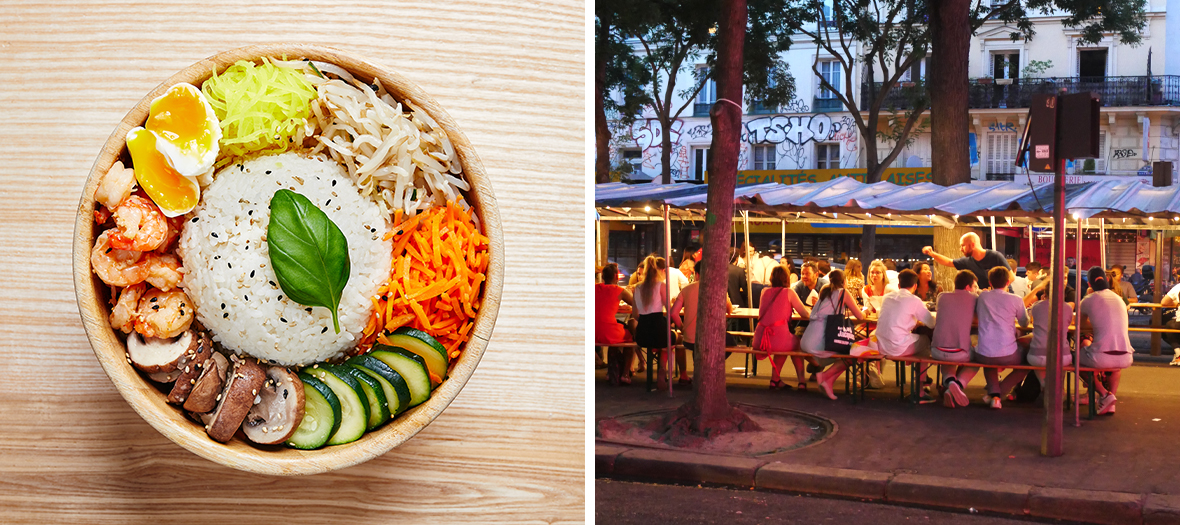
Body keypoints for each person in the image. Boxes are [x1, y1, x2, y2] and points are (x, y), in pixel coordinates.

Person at [961, 267, 1030, 409]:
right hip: (1009, 354)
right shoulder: (1016, 299)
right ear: (1008, 281)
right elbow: (1025, 323)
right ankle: (1000, 392)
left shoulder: (983, 297)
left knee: (989, 358)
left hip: (984, 353)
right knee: (1027, 364)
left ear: (990, 282)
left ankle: (995, 395)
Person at [801, 270, 866, 400]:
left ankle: (827, 382)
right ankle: (825, 377)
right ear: (844, 281)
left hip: (808, 338)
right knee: (852, 354)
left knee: (847, 353)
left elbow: (831, 312)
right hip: (822, 340)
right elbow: (860, 316)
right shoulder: (843, 292)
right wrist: (866, 312)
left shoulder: (825, 291)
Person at [1078, 266, 1134, 415]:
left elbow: (1080, 325)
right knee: (1114, 365)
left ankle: (1105, 394)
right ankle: (1111, 400)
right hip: (1126, 357)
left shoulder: (1088, 299)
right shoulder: (1120, 299)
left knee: (1074, 360)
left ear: (1089, 284)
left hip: (1101, 357)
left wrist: (1097, 322)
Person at [670, 264, 732, 387]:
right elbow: (729, 310)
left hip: (690, 338)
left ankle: (686, 374)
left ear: (697, 274)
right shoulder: (718, 288)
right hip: (711, 339)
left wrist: (682, 327)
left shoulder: (686, 289)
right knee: (731, 342)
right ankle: (708, 369)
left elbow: (673, 313)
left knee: (688, 344)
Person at [752, 266, 812, 390]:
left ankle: (775, 380)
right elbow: (804, 314)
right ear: (786, 278)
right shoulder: (789, 292)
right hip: (776, 337)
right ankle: (801, 381)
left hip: (760, 338)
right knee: (795, 344)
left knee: (784, 343)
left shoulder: (764, 291)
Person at [932, 270, 980, 408]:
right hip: (960, 352)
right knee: (978, 359)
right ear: (968, 287)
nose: (976, 290)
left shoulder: (941, 296)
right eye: (975, 287)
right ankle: (958, 385)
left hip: (937, 350)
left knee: (946, 356)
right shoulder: (974, 299)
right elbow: (978, 318)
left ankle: (950, 381)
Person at [1026, 282, 1074, 394]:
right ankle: (1058, 388)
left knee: (1032, 353)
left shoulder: (1037, 306)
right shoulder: (1067, 308)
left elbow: (1030, 320)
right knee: (1062, 362)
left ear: (1045, 293)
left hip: (1037, 356)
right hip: (1063, 356)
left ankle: (1045, 385)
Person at [632, 255, 672, 390]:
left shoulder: (636, 288)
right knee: (672, 339)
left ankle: (653, 367)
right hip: (658, 329)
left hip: (642, 334)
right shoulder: (661, 286)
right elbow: (669, 309)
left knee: (660, 339)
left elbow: (634, 315)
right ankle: (662, 369)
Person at [595, 263, 637, 385]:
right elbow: (635, 304)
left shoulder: (594, 288)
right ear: (615, 276)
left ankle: (610, 372)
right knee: (630, 339)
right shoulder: (619, 290)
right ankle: (625, 373)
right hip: (608, 331)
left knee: (616, 328)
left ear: (603, 277)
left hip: (592, 330)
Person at [923, 232, 1009, 286]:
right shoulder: (967, 261)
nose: (960, 249)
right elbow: (948, 262)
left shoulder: (995, 256)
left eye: (963, 245)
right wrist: (932, 253)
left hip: (1002, 298)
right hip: (983, 300)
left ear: (972, 245)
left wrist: (993, 291)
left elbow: (1011, 277)